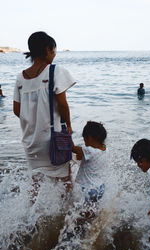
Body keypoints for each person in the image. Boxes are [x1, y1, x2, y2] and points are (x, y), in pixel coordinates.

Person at [13, 31, 76, 200]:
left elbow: (17, 110)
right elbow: (62, 104)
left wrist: (34, 121)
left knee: (36, 183)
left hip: (30, 142)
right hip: (53, 140)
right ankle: (66, 213)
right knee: (65, 181)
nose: (54, 55)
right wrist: (69, 126)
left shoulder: (20, 78)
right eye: (54, 50)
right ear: (47, 49)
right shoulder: (54, 71)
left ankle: (30, 215)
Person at [72, 121, 108, 204]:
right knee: (93, 208)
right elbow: (89, 159)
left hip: (90, 189)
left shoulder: (89, 151)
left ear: (90, 138)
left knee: (86, 211)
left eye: (85, 140)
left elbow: (72, 148)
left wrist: (66, 131)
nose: (85, 143)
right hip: (100, 187)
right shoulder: (105, 149)